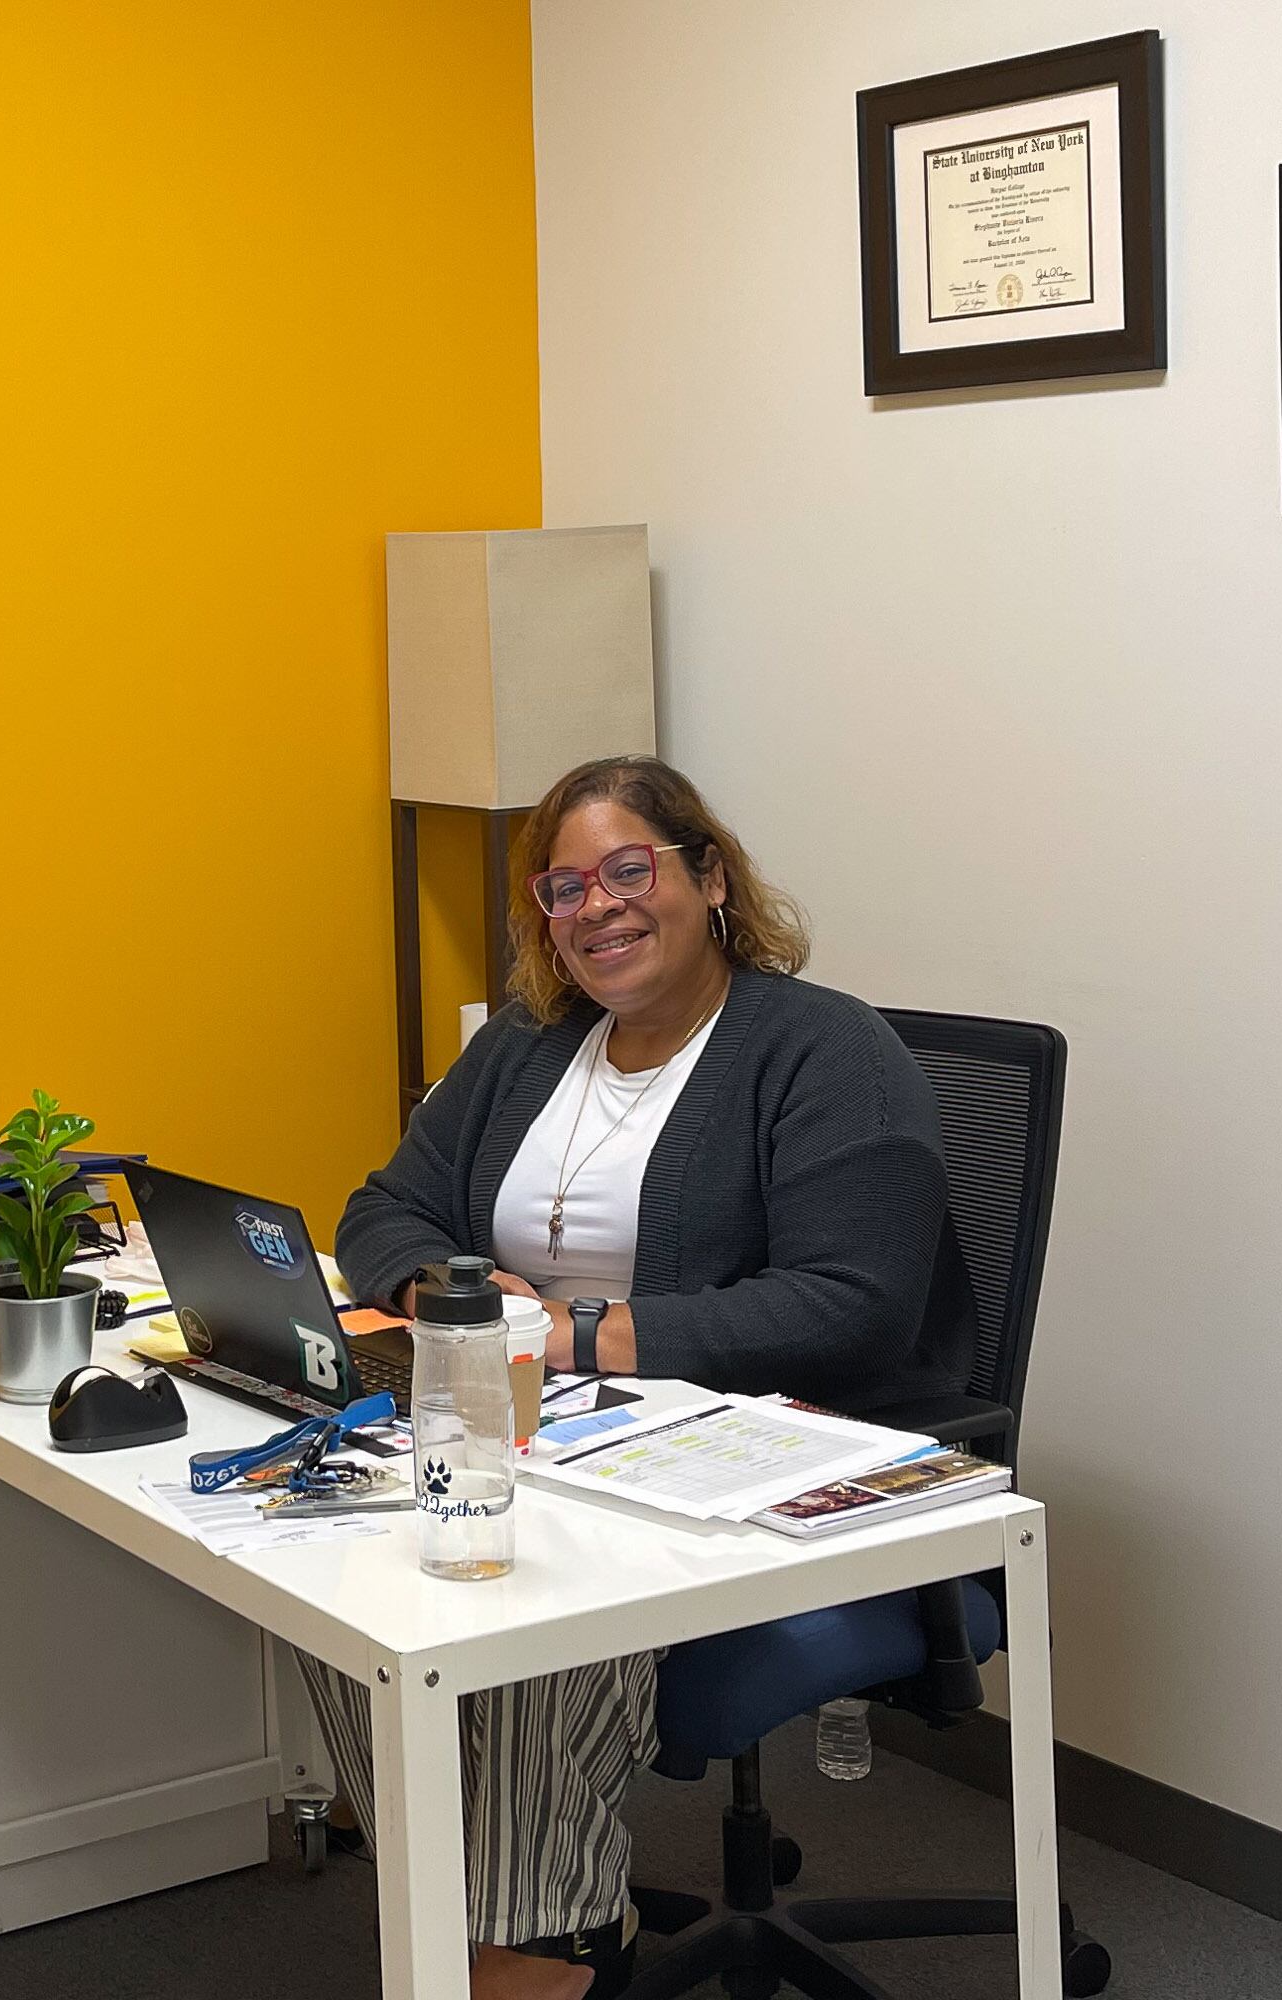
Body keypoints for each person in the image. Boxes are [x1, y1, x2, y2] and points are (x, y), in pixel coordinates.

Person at [302, 754, 973, 2000]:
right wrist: (443, 1293)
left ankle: (549, 1941)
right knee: (337, 1564)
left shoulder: (824, 1049)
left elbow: (855, 1308)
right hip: (542, 1430)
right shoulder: (528, 1046)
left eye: (630, 869)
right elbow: (383, 1205)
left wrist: (575, 1333)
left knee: (538, 1589)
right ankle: (474, 1907)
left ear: (708, 877)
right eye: (564, 888)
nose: (598, 907)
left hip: (748, 1457)